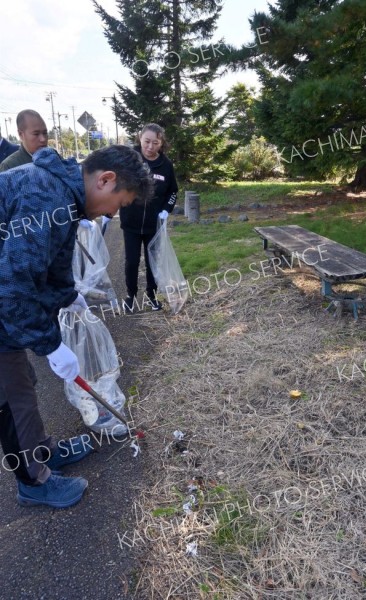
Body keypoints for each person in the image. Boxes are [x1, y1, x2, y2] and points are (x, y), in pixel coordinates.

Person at [0, 145, 152, 508]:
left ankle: (41, 450)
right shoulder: (46, 198)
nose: (114, 214)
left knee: (22, 381)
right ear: (105, 180)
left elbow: (51, 264)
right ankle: (33, 482)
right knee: (11, 392)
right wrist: (49, 345)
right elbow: (12, 289)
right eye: (120, 203)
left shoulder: (64, 195)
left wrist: (67, 295)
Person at [117, 123, 178, 311]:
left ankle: (151, 295)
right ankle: (131, 295)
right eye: (147, 142)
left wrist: (167, 209)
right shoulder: (130, 159)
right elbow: (116, 184)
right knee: (132, 260)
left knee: (153, 260)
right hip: (131, 221)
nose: (150, 147)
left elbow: (173, 191)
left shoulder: (166, 165)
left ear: (161, 143)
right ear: (140, 139)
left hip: (154, 223)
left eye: (155, 143)